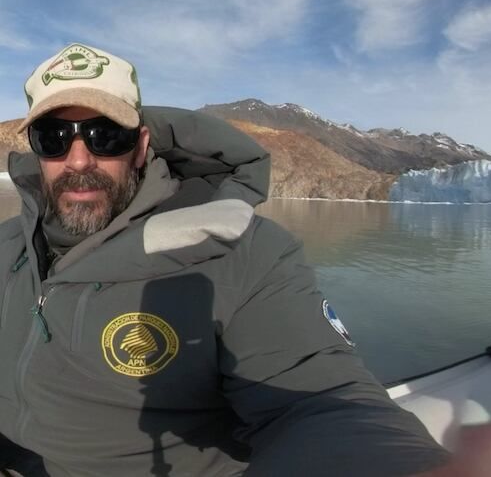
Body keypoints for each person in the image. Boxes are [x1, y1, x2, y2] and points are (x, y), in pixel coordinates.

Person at [0, 43, 451, 475]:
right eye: (53, 137)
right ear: (37, 152)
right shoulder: (9, 245)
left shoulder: (244, 254)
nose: (78, 159)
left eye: (105, 136)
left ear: (139, 146)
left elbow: (320, 400)